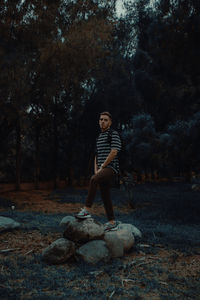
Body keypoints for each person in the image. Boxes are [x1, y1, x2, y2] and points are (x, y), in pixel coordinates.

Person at [76, 111, 121, 231]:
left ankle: (86, 210)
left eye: (106, 120)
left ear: (110, 122)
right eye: (101, 119)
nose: (103, 121)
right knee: (105, 194)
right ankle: (112, 222)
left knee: (93, 180)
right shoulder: (99, 137)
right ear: (98, 121)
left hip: (111, 168)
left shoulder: (113, 134)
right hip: (101, 169)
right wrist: (96, 169)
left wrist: (103, 167)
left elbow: (114, 152)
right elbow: (97, 155)